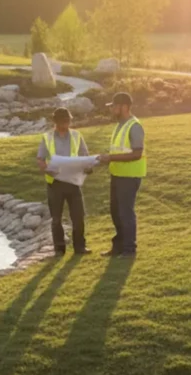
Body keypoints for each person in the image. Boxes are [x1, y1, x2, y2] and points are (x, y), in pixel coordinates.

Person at [36, 107, 91, 256]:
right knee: (56, 219)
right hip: (55, 183)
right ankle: (59, 250)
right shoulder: (47, 137)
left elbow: (84, 156)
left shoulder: (76, 135)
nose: (67, 123)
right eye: (64, 121)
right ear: (56, 121)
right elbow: (40, 159)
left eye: (68, 120)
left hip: (73, 182)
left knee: (78, 217)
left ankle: (80, 247)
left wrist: (88, 166)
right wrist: (47, 169)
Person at [96, 92, 146, 258]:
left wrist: (110, 158)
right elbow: (119, 150)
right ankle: (118, 246)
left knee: (125, 212)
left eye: (114, 106)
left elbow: (137, 154)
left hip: (130, 176)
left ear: (124, 107)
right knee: (116, 211)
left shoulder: (134, 126)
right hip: (117, 174)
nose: (111, 109)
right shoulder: (119, 125)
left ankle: (129, 249)